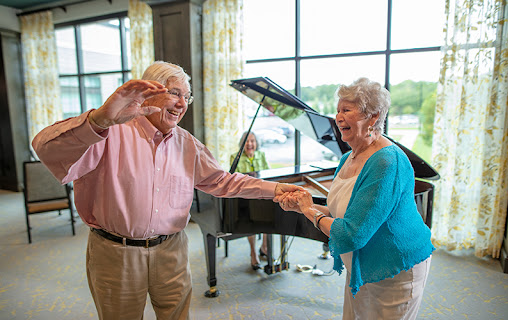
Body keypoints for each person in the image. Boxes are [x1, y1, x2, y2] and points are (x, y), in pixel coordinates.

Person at [32, 61, 302, 320]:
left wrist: (274, 189)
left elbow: (223, 181)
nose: (183, 103)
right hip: (117, 253)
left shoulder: (186, 142)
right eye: (175, 93)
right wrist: (99, 120)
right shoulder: (108, 130)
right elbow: (45, 148)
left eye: (187, 96)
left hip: (172, 250)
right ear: (149, 93)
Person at [276, 77, 435, 320]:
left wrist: (310, 211)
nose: (338, 117)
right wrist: (302, 206)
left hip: (395, 267)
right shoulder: (348, 158)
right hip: (363, 265)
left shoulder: (386, 162)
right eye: (338, 110)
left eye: (346, 110)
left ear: (373, 116)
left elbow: (352, 234)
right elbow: (342, 212)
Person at [230, 131, 270, 270]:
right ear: (242, 143)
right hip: (245, 198)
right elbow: (235, 181)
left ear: (256, 143)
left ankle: (264, 247)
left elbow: (268, 175)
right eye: (247, 141)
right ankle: (253, 252)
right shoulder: (235, 157)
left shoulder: (261, 155)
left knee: (271, 217)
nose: (250, 144)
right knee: (250, 220)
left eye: (252, 141)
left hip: (262, 195)